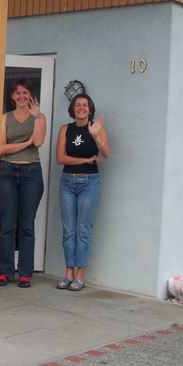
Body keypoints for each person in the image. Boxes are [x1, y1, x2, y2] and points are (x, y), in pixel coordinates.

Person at [0, 79, 47, 288]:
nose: (22, 96)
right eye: (18, 93)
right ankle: (5, 271)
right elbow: (1, 148)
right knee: (7, 224)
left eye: (25, 93)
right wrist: (26, 143)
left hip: (31, 173)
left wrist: (37, 118)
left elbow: (39, 141)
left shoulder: (39, 117)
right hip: (7, 172)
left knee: (27, 225)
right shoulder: (5, 117)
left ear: (30, 96)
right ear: (12, 96)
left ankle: (25, 273)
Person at [55, 93, 111, 291]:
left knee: (83, 230)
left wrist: (95, 136)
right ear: (73, 108)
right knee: (68, 230)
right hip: (67, 182)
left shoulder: (97, 128)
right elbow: (60, 158)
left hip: (89, 183)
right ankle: (68, 273)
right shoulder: (65, 129)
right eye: (77, 105)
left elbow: (107, 153)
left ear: (90, 109)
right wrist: (86, 160)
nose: (81, 108)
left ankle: (79, 275)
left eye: (85, 105)